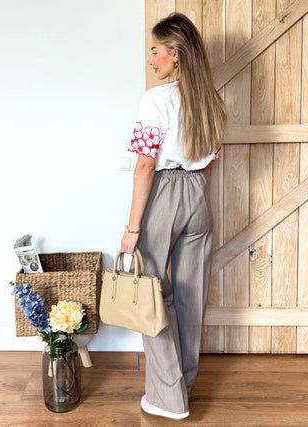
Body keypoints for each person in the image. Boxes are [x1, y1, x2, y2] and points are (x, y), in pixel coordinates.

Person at [121, 12, 227, 420]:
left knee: (151, 293)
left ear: (176, 55)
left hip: (165, 191)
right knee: (189, 296)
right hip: (199, 193)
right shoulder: (210, 101)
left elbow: (146, 166)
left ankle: (168, 398)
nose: (151, 59)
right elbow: (212, 162)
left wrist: (133, 228)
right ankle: (182, 382)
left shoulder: (155, 99)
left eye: (155, 50)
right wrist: (196, 195)